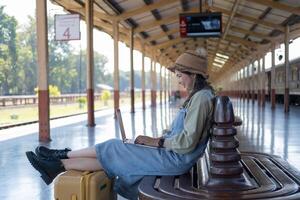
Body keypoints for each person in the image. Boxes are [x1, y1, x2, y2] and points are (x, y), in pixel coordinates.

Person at [26, 48, 215, 200]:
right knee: (111, 156)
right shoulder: (199, 97)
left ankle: (60, 155)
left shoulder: (201, 99)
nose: (179, 80)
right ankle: (59, 164)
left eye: (181, 75)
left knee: (113, 146)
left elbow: (187, 142)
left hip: (175, 159)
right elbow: (183, 136)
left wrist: (156, 142)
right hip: (173, 155)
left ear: (194, 75)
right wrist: (156, 140)